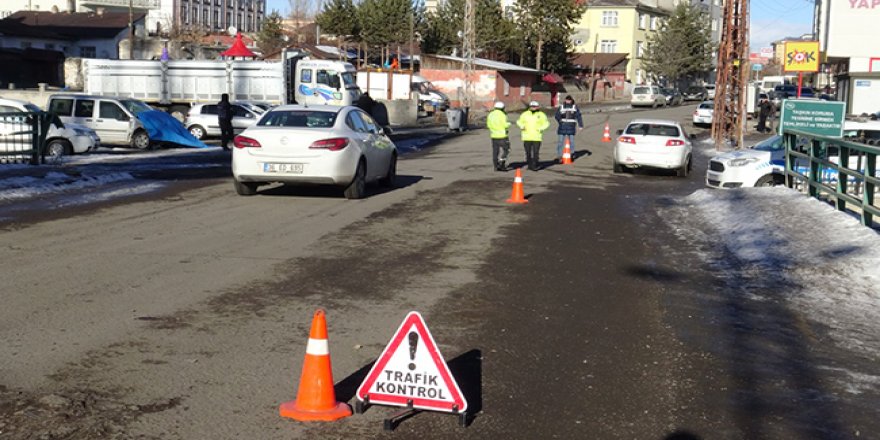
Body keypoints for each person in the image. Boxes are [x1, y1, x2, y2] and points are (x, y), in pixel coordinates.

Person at [517, 100, 550, 171]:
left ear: (537, 107)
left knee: (535, 152)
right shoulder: (525, 114)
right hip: (527, 136)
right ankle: (529, 164)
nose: (533, 108)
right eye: (532, 106)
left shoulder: (541, 115)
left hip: (536, 137)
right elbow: (519, 121)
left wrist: (541, 128)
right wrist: (522, 126)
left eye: (535, 106)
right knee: (528, 152)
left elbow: (546, 123)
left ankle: (534, 165)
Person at [554, 95, 583, 163]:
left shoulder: (574, 107)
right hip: (562, 127)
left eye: (569, 100)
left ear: (571, 100)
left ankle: (572, 154)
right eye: (567, 100)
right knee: (560, 142)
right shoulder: (561, 107)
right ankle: (559, 156)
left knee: (571, 142)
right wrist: (560, 121)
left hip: (571, 127)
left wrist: (580, 125)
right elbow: (557, 115)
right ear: (565, 100)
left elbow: (579, 116)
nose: (568, 101)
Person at [486, 101, 511, 171]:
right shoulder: (503, 115)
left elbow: (488, 125)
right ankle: (501, 163)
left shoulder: (490, 114)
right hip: (502, 135)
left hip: (494, 136)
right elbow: (504, 124)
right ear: (502, 108)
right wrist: (509, 124)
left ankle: (495, 166)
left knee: (495, 151)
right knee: (507, 150)